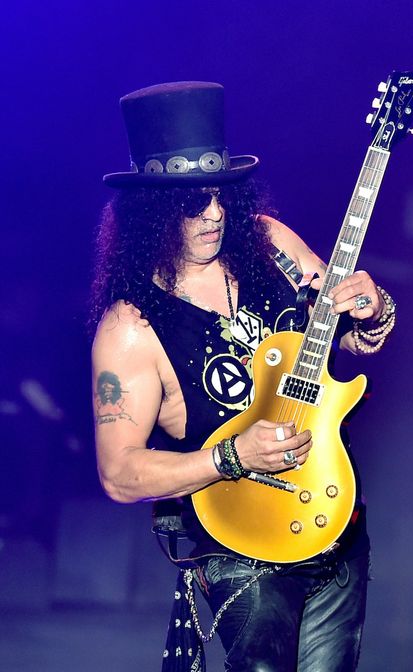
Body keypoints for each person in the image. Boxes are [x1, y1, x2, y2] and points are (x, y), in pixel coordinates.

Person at [89, 81, 395, 671]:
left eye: (222, 193)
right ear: (152, 210)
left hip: (334, 518)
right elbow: (119, 472)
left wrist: (373, 308)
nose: (214, 213)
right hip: (236, 546)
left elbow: (351, 339)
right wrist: (233, 457)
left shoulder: (270, 244)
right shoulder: (132, 325)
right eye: (191, 202)